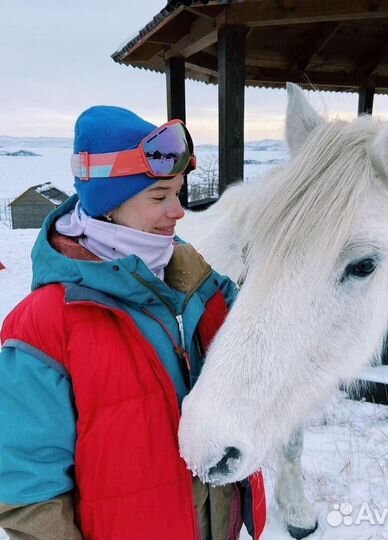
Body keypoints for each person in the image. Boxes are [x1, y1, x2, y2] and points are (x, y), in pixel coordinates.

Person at [0, 107, 266, 540]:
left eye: (179, 193)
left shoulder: (200, 286)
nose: (178, 212)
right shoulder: (42, 329)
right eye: (159, 197)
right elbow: (31, 495)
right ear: (107, 206)